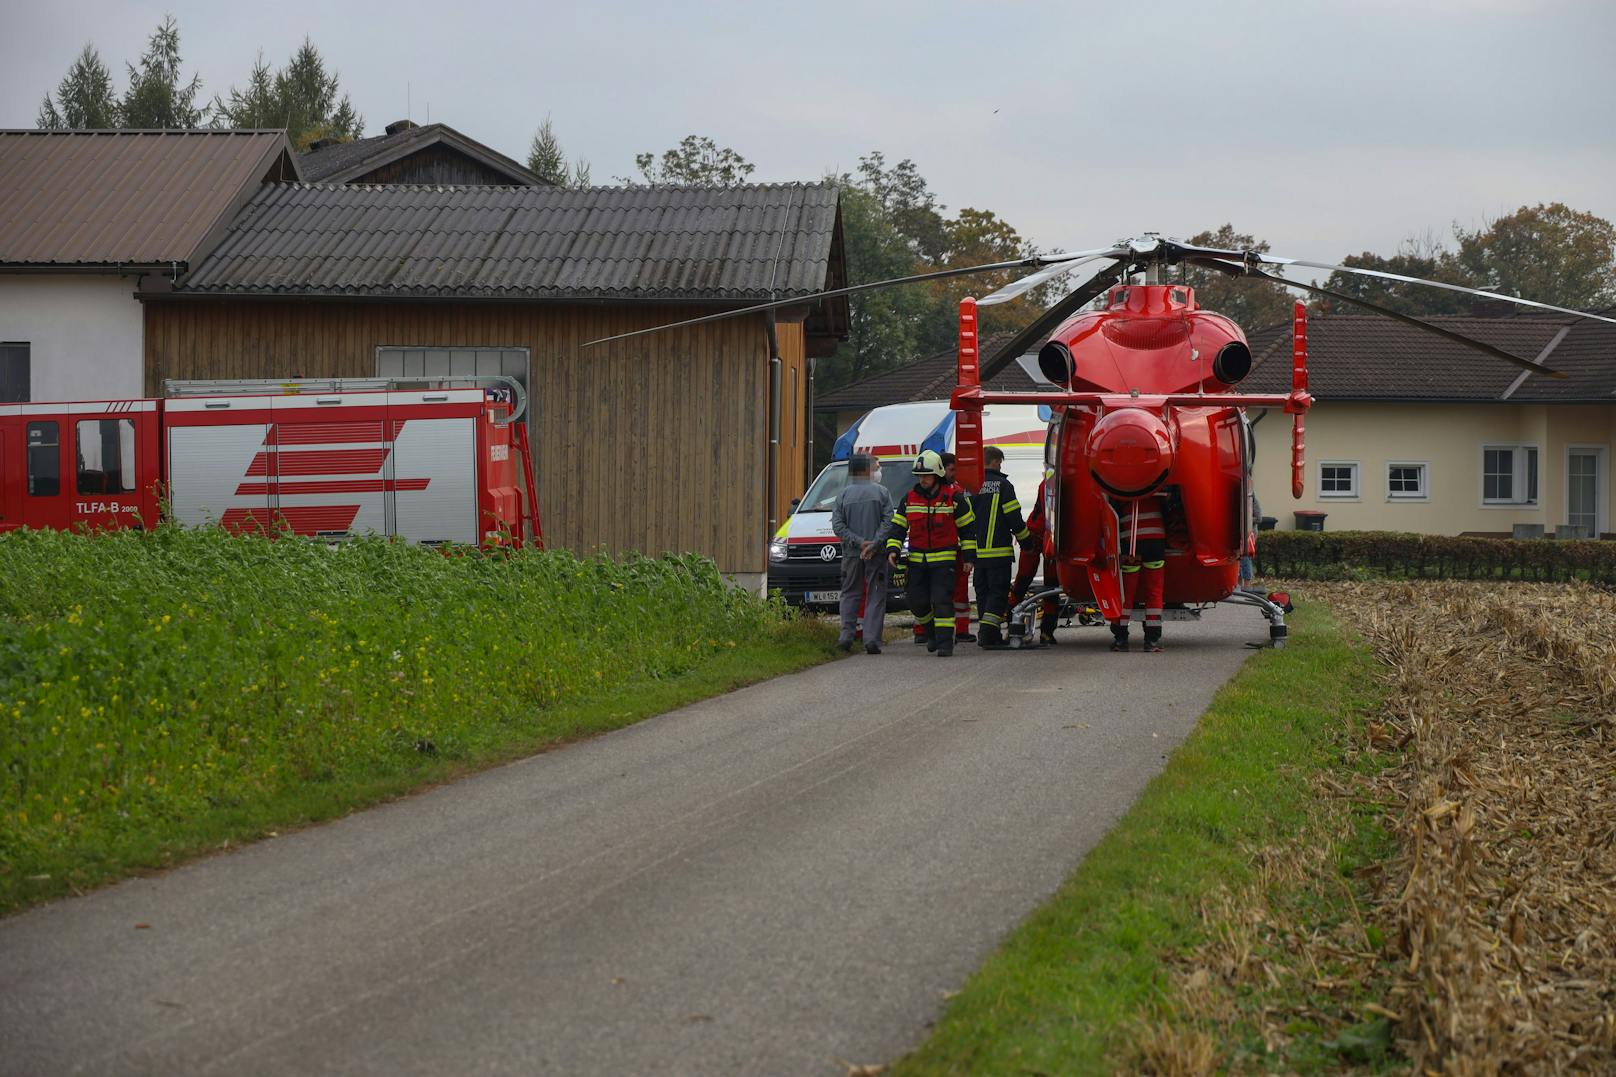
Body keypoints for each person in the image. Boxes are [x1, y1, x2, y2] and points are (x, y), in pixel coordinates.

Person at [886, 450, 976, 657]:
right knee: (916, 602)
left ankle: (945, 644)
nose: (922, 479)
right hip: (917, 561)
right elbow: (898, 528)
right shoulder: (909, 498)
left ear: (937, 475)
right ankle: (931, 633)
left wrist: (969, 558)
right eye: (919, 476)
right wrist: (893, 550)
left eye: (926, 475)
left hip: (945, 562)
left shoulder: (954, 498)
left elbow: (967, 530)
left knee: (942, 601)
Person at [830, 453, 894, 654]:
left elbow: (838, 526)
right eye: (875, 467)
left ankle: (846, 636)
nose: (877, 471)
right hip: (877, 554)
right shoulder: (882, 493)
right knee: (875, 594)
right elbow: (888, 522)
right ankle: (871, 639)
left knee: (849, 593)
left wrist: (858, 543)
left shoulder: (843, 495)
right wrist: (873, 544)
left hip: (851, 554)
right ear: (866, 470)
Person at [970, 446, 1031, 649]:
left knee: (983, 594)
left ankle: (990, 633)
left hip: (976, 554)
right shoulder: (1003, 486)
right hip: (998, 554)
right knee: (997, 593)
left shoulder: (971, 485)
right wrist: (1027, 542)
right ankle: (987, 635)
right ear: (995, 461)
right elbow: (1014, 518)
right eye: (1000, 462)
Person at [1109, 492, 1168, 653]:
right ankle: (1152, 640)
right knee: (1154, 592)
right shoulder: (1158, 486)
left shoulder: (1120, 488)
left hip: (1131, 545)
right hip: (1155, 542)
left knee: (1126, 594)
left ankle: (1121, 640)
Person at [1009, 476, 1062, 645]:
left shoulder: (1051, 481)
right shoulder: (1050, 483)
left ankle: (1046, 630)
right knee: (1023, 582)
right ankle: (1014, 627)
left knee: (1050, 585)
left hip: (1048, 536)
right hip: (1039, 535)